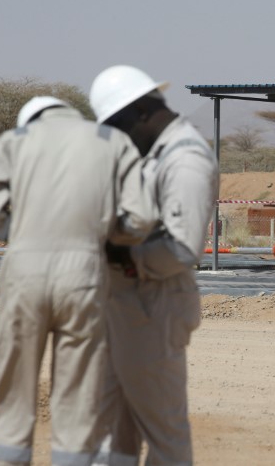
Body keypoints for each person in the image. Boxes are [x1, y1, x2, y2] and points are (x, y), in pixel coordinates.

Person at [0, 96, 156, 466]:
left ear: (33, 119)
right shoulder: (111, 141)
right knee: (77, 393)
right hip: (85, 272)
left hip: (23, 272)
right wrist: (104, 235)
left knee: (14, 385)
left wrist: (24, 233)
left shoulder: (13, 141)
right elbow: (140, 219)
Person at [89, 65, 219, 466]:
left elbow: (181, 248)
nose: (119, 137)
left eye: (119, 126)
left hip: (154, 308)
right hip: (130, 304)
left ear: (141, 111)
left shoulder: (187, 160)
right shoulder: (158, 153)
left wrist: (119, 254)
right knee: (115, 428)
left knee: (164, 432)